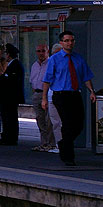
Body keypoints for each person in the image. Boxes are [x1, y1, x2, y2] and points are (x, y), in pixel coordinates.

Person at [42, 31, 96, 167]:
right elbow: (47, 80)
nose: (69, 43)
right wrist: (44, 98)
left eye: (71, 40)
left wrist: (91, 91)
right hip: (60, 95)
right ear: (61, 43)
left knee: (78, 124)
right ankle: (68, 157)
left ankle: (63, 143)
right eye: (66, 41)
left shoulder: (79, 59)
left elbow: (86, 77)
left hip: (75, 94)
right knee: (66, 124)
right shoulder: (54, 59)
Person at [0, 43, 24, 146]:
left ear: (9, 55)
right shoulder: (11, 65)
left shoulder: (15, 65)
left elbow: (12, 80)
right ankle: (6, 136)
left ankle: (10, 137)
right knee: (6, 117)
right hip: (7, 97)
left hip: (10, 97)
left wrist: (2, 77)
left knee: (10, 117)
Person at [29, 43, 55, 151]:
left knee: (49, 120)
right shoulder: (34, 65)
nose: (41, 53)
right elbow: (32, 81)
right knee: (40, 119)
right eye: (39, 51)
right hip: (37, 94)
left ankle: (51, 143)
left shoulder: (50, 63)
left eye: (43, 51)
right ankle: (43, 143)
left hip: (47, 94)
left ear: (47, 52)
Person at [46, 42, 63, 151]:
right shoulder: (51, 63)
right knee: (55, 122)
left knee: (63, 122)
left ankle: (63, 144)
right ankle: (59, 144)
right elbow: (46, 80)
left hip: (62, 95)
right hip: (52, 95)